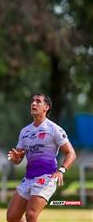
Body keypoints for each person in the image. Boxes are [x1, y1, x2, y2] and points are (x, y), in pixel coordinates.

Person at [6, 94, 77, 222]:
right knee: (12, 217)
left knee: (31, 215)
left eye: (38, 101)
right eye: (32, 101)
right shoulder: (25, 131)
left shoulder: (54, 129)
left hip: (46, 177)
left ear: (46, 107)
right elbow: (18, 159)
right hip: (28, 178)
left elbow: (71, 153)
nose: (33, 104)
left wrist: (61, 170)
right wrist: (15, 158)